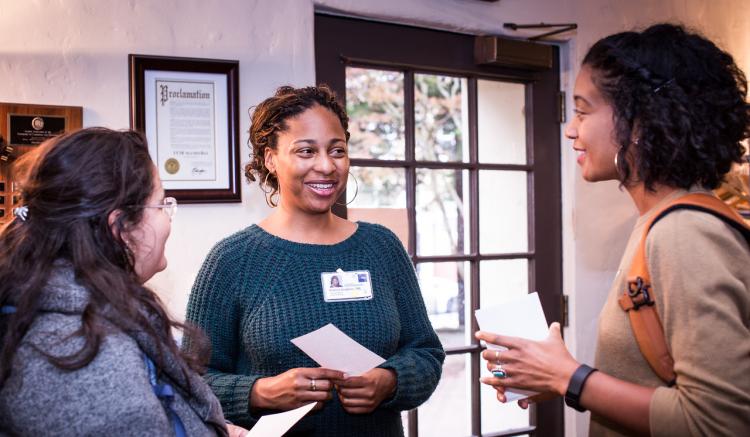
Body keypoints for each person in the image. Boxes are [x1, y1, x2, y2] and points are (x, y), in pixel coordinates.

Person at [476, 24, 750, 436]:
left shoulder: (683, 232)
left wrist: (569, 377)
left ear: (639, 123)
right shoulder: (661, 223)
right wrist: (555, 375)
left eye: (583, 111)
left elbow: (717, 422)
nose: (570, 129)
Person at [185, 85, 445, 436]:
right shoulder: (232, 260)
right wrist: (260, 393)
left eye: (337, 150)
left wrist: (390, 381)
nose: (326, 165)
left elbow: (426, 352)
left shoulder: (382, 247)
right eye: (306, 151)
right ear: (270, 159)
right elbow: (190, 382)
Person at [0, 128, 246, 436]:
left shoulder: (87, 315)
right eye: (160, 205)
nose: (168, 219)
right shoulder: (82, 360)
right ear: (120, 227)